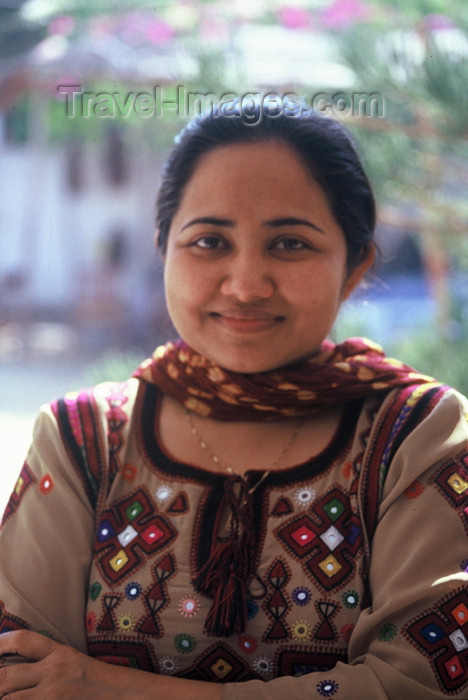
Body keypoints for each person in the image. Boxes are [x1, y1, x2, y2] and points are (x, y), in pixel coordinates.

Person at [0, 101, 467, 700]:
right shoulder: (81, 438)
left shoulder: (417, 434)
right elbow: (22, 671)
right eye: (210, 241)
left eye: (291, 243)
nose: (246, 284)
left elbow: (420, 684)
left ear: (354, 267)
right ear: (163, 247)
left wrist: (108, 687)